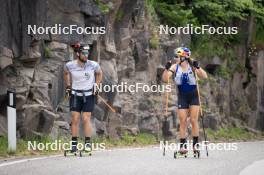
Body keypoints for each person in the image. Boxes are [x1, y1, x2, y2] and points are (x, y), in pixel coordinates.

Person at [162, 47, 208, 154]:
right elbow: (165, 79)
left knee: (193, 120)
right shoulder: (174, 67)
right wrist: (166, 69)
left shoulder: (192, 66)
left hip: (193, 96)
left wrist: (198, 67)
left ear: (184, 57)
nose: (175, 58)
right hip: (182, 96)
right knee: (182, 121)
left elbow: (204, 76)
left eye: (177, 56)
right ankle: (183, 146)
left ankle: (195, 145)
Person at [63, 42, 103, 153]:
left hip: (89, 95)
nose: (86, 55)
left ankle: (88, 144)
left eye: (87, 53)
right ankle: (74, 145)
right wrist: (68, 86)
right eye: (84, 53)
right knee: (75, 119)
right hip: (75, 95)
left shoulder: (93, 65)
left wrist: (96, 85)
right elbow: (65, 73)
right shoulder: (70, 65)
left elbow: (99, 73)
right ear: (78, 54)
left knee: (86, 119)